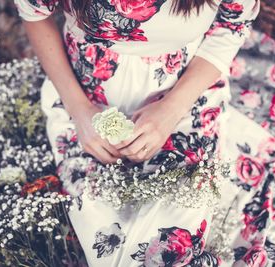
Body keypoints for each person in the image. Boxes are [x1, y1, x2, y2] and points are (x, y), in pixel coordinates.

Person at [14, 0, 260, 266]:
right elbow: (34, 13)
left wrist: (172, 109)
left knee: (170, 249)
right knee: (107, 245)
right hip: (85, 95)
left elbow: (232, 25)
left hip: (183, 92)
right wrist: (78, 109)